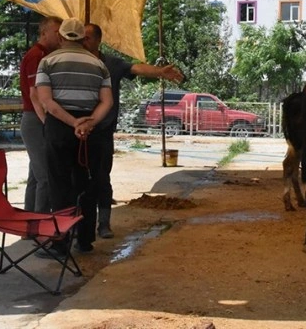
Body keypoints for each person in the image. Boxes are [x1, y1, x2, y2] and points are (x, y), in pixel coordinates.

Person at [82, 23, 184, 238]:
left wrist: (159, 72)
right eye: (81, 36)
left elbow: (135, 68)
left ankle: (104, 224)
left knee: (102, 177)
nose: (83, 40)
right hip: (77, 132)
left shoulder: (111, 63)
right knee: (79, 180)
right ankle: (79, 227)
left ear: (99, 40)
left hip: (101, 132)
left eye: (88, 37)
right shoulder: (75, 61)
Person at [35, 17, 113, 255]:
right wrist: (88, 123)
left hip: (60, 128)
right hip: (89, 132)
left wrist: (72, 123)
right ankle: (86, 239)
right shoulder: (98, 64)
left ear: (60, 37)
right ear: (82, 38)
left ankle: (61, 242)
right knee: (87, 184)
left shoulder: (47, 62)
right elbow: (107, 102)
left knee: (59, 184)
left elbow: (46, 101)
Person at [19, 15, 62, 213]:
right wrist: (47, 122)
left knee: (36, 175)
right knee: (45, 176)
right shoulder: (36, 56)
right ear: (44, 33)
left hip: (37, 118)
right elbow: (34, 94)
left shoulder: (46, 55)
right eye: (56, 32)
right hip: (36, 119)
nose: (60, 36)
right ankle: (41, 224)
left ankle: (30, 221)